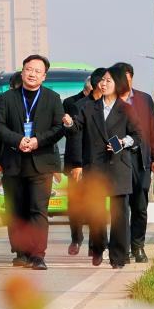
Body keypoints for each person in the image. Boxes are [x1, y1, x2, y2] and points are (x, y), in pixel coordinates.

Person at [0, 55, 71, 271]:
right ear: (23, 71)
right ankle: (21, 252)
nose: (32, 74)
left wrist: (37, 141)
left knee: (38, 210)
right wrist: (18, 140)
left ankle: (37, 255)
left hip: (41, 162)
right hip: (13, 162)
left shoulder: (53, 98)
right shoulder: (7, 98)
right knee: (16, 210)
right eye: (28, 69)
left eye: (37, 71)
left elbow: (59, 128)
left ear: (44, 76)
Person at [68, 65, 141, 268]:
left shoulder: (126, 109)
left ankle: (119, 256)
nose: (104, 83)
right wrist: (68, 123)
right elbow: (77, 126)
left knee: (119, 214)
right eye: (103, 80)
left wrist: (123, 142)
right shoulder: (89, 107)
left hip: (118, 166)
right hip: (95, 166)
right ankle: (98, 247)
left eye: (109, 80)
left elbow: (137, 136)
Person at [111, 62, 154, 264]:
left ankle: (138, 246)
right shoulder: (110, 101)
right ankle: (122, 249)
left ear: (131, 78)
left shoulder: (144, 99)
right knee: (120, 207)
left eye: (126, 78)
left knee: (140, 206)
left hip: (141, 159)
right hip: (118, 159)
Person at [62, 69, 106, 256]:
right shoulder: (76, 105)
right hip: (79, 162)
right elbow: (75, 137)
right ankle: (76, 238)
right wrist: (77, 164)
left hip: (100, 163)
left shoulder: (110, 105)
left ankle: (96, 244)